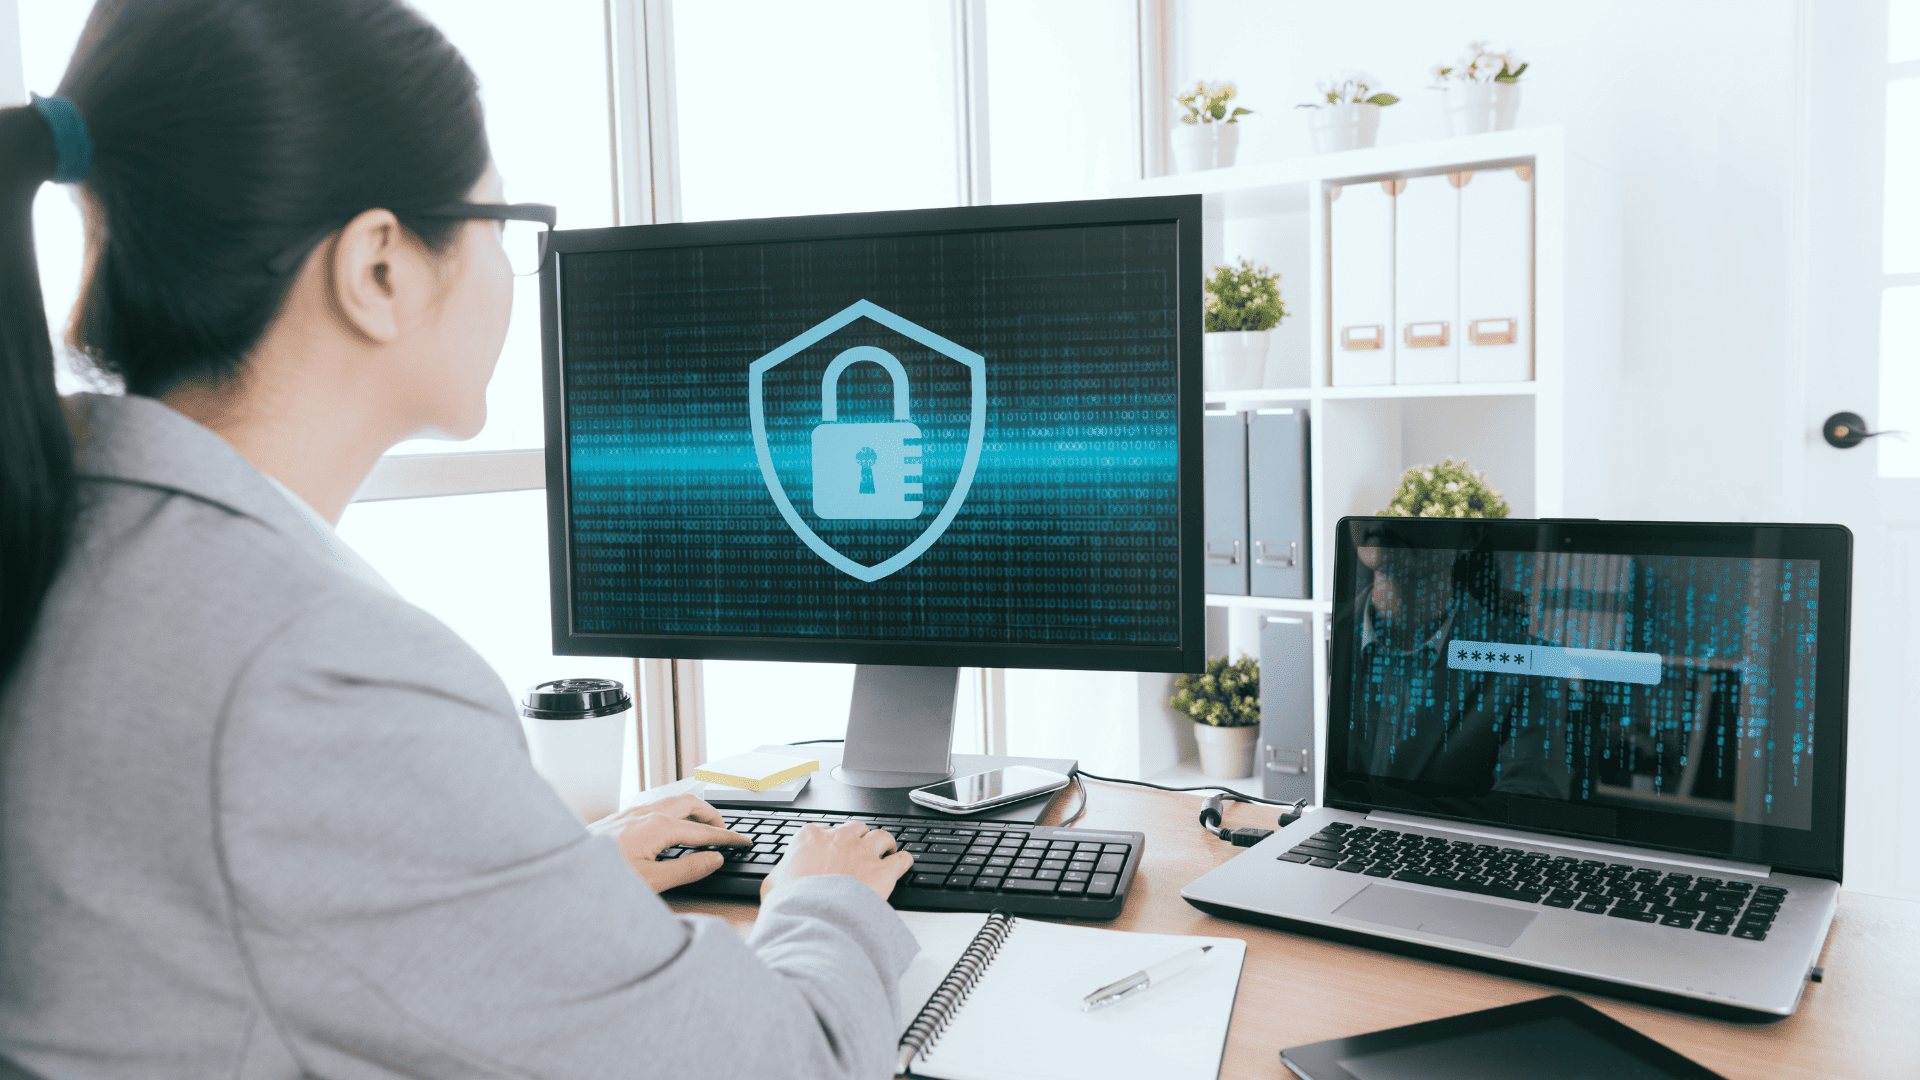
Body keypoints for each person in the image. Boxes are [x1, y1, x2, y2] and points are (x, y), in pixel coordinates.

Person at [0, 2, 915, 1078]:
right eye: (500, 221)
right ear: (379, 268)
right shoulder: (313, 675)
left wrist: (547, 877)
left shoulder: (72, 542)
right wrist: (827, 897)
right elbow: (791, 1063)